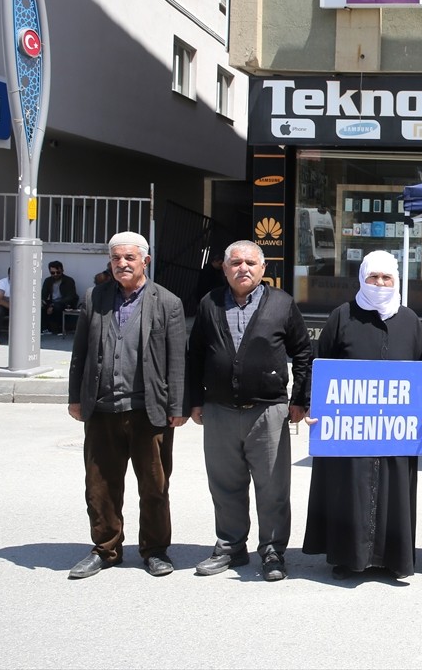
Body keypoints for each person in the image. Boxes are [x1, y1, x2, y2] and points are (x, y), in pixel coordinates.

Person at [185, 240, 313, 582]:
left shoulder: (282, 304)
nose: (243, 268)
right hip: (220, 410)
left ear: (263, 269)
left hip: (268, 411)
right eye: (236, 262)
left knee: (272, 486)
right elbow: (195, 354)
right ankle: (230, 546)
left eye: (250, 263)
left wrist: (300, 398)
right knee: (225, 485)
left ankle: (273, 551)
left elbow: (302, 353)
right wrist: (195, 400)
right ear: (224, 268)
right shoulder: (210, 303)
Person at [302, 250, 422, 581]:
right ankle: (349, 558)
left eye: (386, 278)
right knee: (350, 487)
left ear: (397, 280)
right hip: (349, 427)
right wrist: (314, 406)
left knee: (393, 487)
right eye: (373, 277)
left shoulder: (410, 321)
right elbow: (321, 367)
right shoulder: (342, 316)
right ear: (361, 278)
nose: (379, 283)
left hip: (395, 428)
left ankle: (392, 559)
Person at [66, 231, 187, 579]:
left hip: (150, 411)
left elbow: (177, 359)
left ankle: (155, 550)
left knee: (154, 485)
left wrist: (177, 406)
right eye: (116, 258)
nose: (122, 264)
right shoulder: (95, 297)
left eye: (129, 258)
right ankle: (105, 549)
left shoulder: (167, 302)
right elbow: (81, 353)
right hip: (102, 408)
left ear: (144, 261)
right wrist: (75, 397)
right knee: (99, 486)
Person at [40, 260, 79, 334]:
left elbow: (70, 297)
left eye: (58, 272)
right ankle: (44, 329)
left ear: (62, 270)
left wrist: (53, 305)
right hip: (52, 302)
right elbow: (43, 294)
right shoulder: (48, 281)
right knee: (40, 306)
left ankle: (57, 329)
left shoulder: (68, 281)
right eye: (52, 273)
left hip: (64, 303)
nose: (55, 274)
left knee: (57, 307)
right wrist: (43, 302)